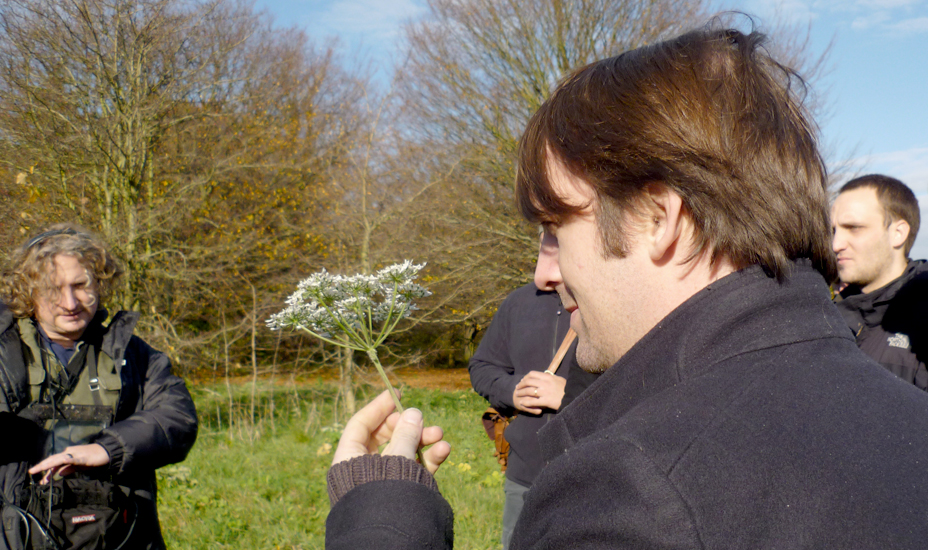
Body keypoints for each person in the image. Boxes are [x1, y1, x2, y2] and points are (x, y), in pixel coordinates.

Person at [324, 25, 928, 549]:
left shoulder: (630, 498)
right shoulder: (909, 418)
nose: (543, 273)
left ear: (657, 219)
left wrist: (381, 522)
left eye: (557, 229)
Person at [0, 224, 198, 550]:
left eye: (81, 285)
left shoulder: (134, 355)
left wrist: (107, 450)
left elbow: (177, 418)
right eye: (53, 288)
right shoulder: (4, 353)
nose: (70, 302)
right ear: (28, 289)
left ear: (100, 283)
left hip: (122, 535)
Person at [469, 268, 597, 549]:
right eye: (543, 245)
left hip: (594, 477)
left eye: (555, 244)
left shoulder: (611, 299)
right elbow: (482, 366)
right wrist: (511, 391)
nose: (542, 272)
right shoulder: (519, 302)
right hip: (525, 475)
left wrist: (569, 395)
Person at [831, 174, 927, 388]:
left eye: (854, 227)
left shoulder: (922, 325)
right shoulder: (829, 318)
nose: (836, 244)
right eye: (834, 231)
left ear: (898, 233)